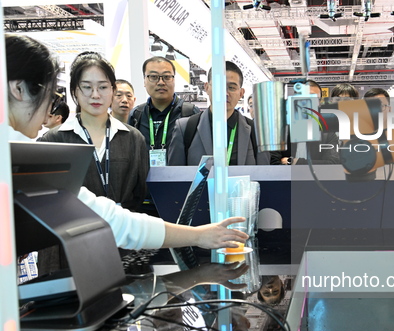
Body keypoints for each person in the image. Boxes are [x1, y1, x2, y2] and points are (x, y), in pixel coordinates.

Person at [6, 33, 246, 255]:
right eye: (50, 95)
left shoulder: (132, 138)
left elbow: (113, 216)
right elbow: (109, 218)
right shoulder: (30, 151)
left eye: (102, 87)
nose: (50, 108)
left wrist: (199, 235)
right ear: (18, 89)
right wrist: (198, 236)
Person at [39, 52, 149, 212]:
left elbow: (140, 192)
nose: (95, 95)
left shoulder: (133, 138)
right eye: (87, 87)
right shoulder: (53, 140)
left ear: (112, 90)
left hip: (125, 231)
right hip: (74, 231)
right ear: (75, 90)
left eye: (103, 87)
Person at [167, 61, 270, 166]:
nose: (225, 93)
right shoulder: (185, 129)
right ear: (206, 88)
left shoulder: (257, 133)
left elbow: (263, 177)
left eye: (231, 88)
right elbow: (175, 178)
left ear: (241, 93)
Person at [128, 56, 199, 166]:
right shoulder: (136, 116)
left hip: (179, 181)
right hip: (144, 182)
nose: (161, 82)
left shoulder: (190, 114)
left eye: (166, 77)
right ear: (144, 81)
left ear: (174, 80)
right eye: (153, 77)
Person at [270, 79, 340, 165]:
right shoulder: (280, 131)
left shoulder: (328, 133)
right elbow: (273, 164)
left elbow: (332, 164)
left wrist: (294, 162)